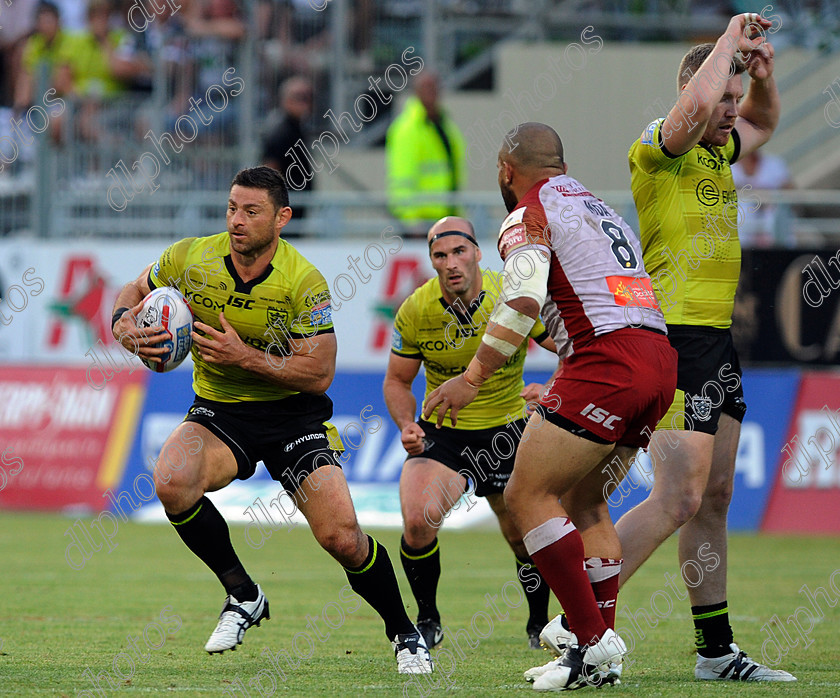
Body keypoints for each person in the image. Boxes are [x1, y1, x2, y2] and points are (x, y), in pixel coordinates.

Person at [538, 12, 796, 684]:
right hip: (673, 338)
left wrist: (760, 77)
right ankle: (576, 614)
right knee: (678, 498)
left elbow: (764, 122)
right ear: (693, 93)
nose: (730, 113)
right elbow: (693, 106)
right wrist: (729, 47)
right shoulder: (659, 148)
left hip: (717, 342)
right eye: (722, 101)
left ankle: (715, 651)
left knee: (713, 500)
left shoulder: (720, 147)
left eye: (733, 103)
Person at [110, 166, 432, 674]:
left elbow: (321, 371)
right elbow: (133, 290)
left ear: (282, 218)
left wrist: (247, 358)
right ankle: (243, 594)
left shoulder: (303, 281)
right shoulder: (190, 257)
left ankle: (404, 632)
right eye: (232, 208)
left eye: (251, 211)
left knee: (342, 539)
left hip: (293, 418)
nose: (237, 221)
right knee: (171, 481)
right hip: (221, 412)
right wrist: (123, 324)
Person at [424, 122, 678, 691]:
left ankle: (589, 641)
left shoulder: (527, 214)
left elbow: (520, 298)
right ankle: (594, 663)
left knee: (524, 496)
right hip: (657, 361)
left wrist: (472, 377)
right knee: (584, 503)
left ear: (505, 171)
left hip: (606, 365)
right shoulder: (598, 206)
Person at [384, 215, 557, 652]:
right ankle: (428, 620)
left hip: (509, 429)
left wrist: (553, 389)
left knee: (524, 537)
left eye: (459, 251)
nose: (451, 263)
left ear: (478, 253)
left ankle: (540, 622)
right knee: (418, 521)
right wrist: (406, 423)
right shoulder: (416, 309)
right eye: (439, 256)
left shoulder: (512, 295)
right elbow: (397, 382)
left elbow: (575, 346)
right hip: (444, 432)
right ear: (432, 262)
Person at [385, 72, 467, 233]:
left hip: (445, 216)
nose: (432, 92)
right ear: (416, 92)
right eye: (426, 87)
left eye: (434, 87)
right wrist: (410, 221)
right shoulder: (407, 129)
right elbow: (402, 177)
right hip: (420, 222)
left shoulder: (446, 126)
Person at [261, 76, 314, 219]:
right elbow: (270, 170)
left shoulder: (298, 128)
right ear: (285, 100)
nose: (306, 102)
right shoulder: (280, 131)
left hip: (297, 206)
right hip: (284, 211)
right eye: (300, 97)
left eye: (308, 97)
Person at [731, 148, 795, 247]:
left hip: (770, 209)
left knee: (773, 215)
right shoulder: (730, 166)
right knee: (743, 209)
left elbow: (790, 189)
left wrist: (767, 196)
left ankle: (776, 247)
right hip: (743, 215)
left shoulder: (774, 163)